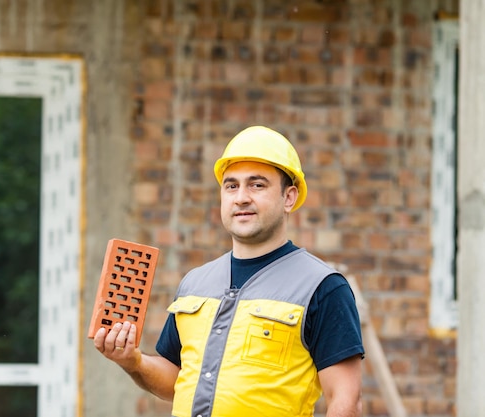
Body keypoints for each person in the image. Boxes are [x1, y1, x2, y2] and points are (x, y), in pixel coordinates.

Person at [93, 125, 365, 417]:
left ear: (289, 198)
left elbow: (345, 402)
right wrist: (133, 361)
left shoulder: (322, 287)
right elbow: (177, 381)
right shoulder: (195, 283)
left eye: (257, 185)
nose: (241, 197)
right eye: (231, 186)